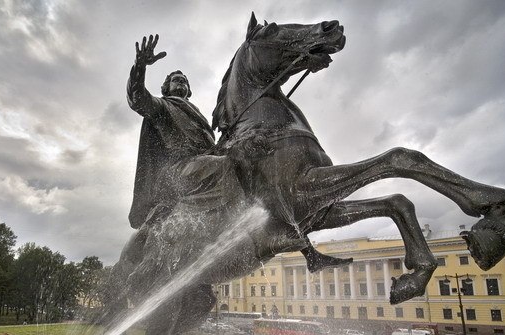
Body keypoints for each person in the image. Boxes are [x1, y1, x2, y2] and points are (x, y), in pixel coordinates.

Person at [126, 34, 347, 272]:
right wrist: (140, 66)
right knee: (225, 167)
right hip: (180, 170)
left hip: (201, 163)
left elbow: (213, 149)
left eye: (184, 82)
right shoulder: (163, 106)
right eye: (175, 81)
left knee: (256, 170)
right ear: (166, 88)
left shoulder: (197, 115)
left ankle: (306, 249)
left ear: (189, 91)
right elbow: (138, 98)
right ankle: (258, 233)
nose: (180, 84)